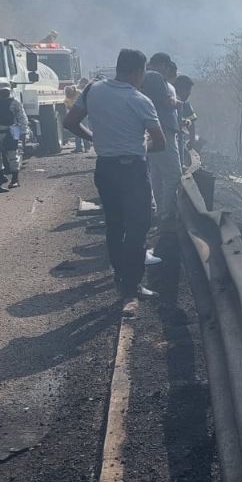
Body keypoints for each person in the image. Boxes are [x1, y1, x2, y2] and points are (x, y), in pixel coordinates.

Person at [63, 49, 167, 301]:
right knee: (138, 229)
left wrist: (94, 138)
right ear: (138, 72)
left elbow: (70, 122)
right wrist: (142, 147)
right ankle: (132, 285)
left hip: (106, 168)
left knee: (115, 225)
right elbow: (160, 143)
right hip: (132, 171)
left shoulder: (93, 90)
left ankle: (120, 277)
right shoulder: (140, 100)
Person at [141, 53, 182, 230]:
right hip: (162, 131)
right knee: (173, 174)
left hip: (155, 131)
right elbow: (166, 101)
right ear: (163, 65)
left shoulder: (147, 77)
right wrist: (177, 103)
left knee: (157, 174)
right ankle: (167, 214)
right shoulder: (154, 77)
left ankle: (160, 212)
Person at [0, 82, 30, 188]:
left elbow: (22, 119)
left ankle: (15, 179)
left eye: (7, 91)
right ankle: (1, 176)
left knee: (13, 155)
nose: (5, 93)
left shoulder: (15, 103)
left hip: (11, 131)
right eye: (3, 91)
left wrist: (23, 134)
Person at [173, 74, 198, 164]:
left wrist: (192, 140)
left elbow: (192, 122)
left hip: (179, 139)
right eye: (187, 90)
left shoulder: (186, 104)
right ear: (179, 89)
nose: (189, 93)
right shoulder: (170, 101)